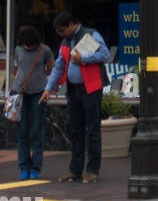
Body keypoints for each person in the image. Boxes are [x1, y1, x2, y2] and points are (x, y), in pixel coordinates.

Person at [40, 11, 110, 184]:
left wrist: (83, 58)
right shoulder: (65, 42)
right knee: (75, 130)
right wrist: (48, 88)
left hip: (91, 88)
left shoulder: (90, 34)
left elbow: (105, 54)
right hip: (73, 90)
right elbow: (58, 66)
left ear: (72, 25)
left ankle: (93, 170)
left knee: (92, 130)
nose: (60, 34)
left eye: (62, 31)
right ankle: (75, 170)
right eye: (58, 32)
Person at [11, 25, 54, 180]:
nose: (30, 47)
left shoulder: (45, 50)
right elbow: (19, 67)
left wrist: (41, 80)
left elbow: (51, 69)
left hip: (38, 94)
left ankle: (35, 168)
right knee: (22, 132)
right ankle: (24, 167)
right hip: (20, 93)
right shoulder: (17, 50)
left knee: (37, 131)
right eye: (27, 45)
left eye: (32, 45)